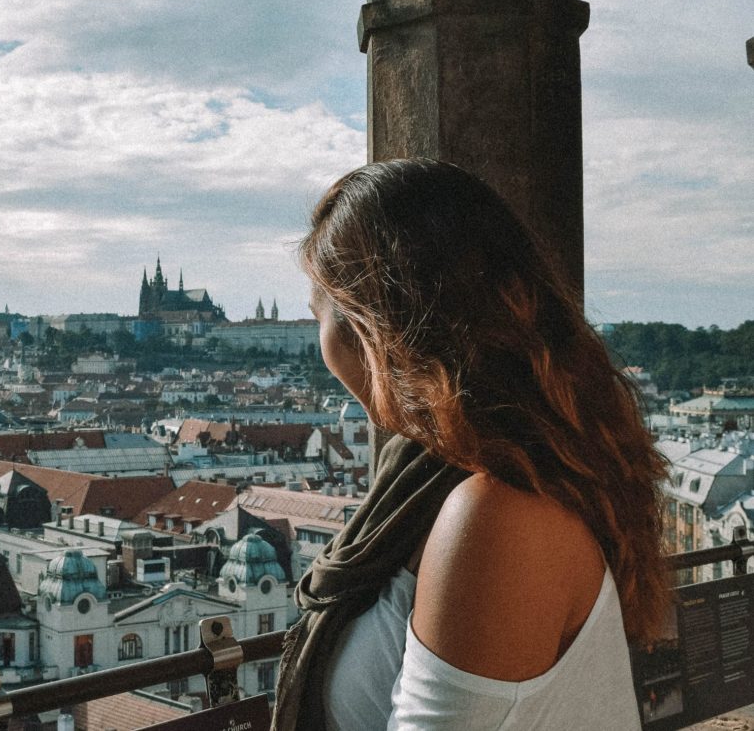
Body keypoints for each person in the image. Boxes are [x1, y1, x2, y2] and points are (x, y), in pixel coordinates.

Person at [272, 159, 667, 731]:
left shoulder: (496, 516)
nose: (319, 343)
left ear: (373, 323)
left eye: (318, 313)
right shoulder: (474, 474)